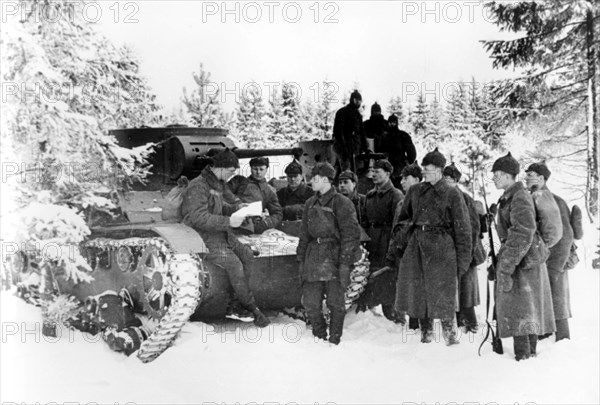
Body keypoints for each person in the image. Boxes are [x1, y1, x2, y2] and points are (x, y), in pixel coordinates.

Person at [181, 148, 270, 327]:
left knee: (247, 255)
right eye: (231, 171)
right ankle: (247, 306)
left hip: (221, 233)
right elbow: (198, 218)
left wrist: (241, 210)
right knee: (233, 263)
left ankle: (236, 302)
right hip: (202, 237)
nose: (232, 175)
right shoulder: (198, 186)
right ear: (220, 168)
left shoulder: (217, 184)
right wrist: (229, 221)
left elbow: (220, 208)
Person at [394, 148, 472, 345]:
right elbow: (403, 219)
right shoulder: (415, 191)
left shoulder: (452, 194)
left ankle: (450, 336)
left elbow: (463, 229)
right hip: (417, 247)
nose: (424, 173)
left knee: (444, 294)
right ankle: (425, 334)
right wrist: (407, 238)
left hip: (442, 248)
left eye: (428, 169)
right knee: (420, 292)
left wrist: (462, 261)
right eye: (423, 169)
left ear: (439, 170)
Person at [492, 152, 555, 360]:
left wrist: (506, 265)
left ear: (509, 176)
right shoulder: (512, 196)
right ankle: (529, 358)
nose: (494, 178)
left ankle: (524, 360)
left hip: (522, 263)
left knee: (522, 314)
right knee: (525, 313)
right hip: (523, 262)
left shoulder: (519, 197)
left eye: (497, 174)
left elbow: (523, 232)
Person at [297, 162, 361, 345]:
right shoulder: (310, 203)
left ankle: (334, 339)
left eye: (314, 179)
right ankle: (319, 335)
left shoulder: (342, 203)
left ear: (325, 180)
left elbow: (351, 235)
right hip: (313, 256)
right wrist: (301, 259)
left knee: (335, 303)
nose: (310, 182)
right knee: (310, 302)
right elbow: (303, 234)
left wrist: (344, 264)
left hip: (334, 256)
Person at [525, 161, 572, 341]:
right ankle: (544, 336)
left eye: (531, 175)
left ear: (542, 178)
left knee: (558, 301)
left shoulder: (555, 201)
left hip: (556, 260)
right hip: (544, 258)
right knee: (544, 300)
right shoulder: (533, 198)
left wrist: (556, 265)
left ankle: (563, 340)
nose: (526, 178)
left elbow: (566, 236)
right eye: (526, 174)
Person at [360, 159, 404, 322]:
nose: (373, 175)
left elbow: (399, 223)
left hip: (387, 240)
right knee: (373, 275)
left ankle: (395, 316)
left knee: (389, 277)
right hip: (372, 241)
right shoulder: (370, 196)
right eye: (372, 171)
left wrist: (394, 245)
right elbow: (364, 221)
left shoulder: (396, 195)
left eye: (377, 171)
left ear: (387, 173)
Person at [443, 163, 485, 333]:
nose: (445, 182)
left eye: (449, 179)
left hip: (468, 252)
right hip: (453, 252)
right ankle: (460, 324)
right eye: (444, 178)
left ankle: (472, 326)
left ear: (455, 180)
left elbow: (474, 229)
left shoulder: (464, 199)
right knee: (457, 291)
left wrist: (466, 254)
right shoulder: (445, 197)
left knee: (466, 292)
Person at [229, 157, 283, 234]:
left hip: (250, 227)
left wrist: (264, 224)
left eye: (261, 169)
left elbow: (278, 214)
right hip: (231, 222)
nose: (258, 172)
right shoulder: (239, 181)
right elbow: (224, 193)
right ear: (251, 168)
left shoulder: (268, 191)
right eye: (255, 169)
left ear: (266, 170)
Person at [332, 90, 369, 173]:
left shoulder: (358, 115)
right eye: (357, 100)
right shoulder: (342, 112)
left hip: (353, 148)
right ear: (353, 100)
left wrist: (365, 147)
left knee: (353, 173)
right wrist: (344, 148)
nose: (359, 103)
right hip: (342, 148)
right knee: (346, 172)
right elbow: (338, 131)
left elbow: (361, 132)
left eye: (360, 101)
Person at [377, 114, 417, 189]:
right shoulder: (384, 136)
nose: (392, 124)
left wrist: (408, 162)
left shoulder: (403, 135)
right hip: (387, 166)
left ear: (396, 123)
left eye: (393, 122)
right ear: (387, 123)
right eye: (390, 122)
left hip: (399, 166)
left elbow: (411, 151)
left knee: (400, 189)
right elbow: (379, 152)